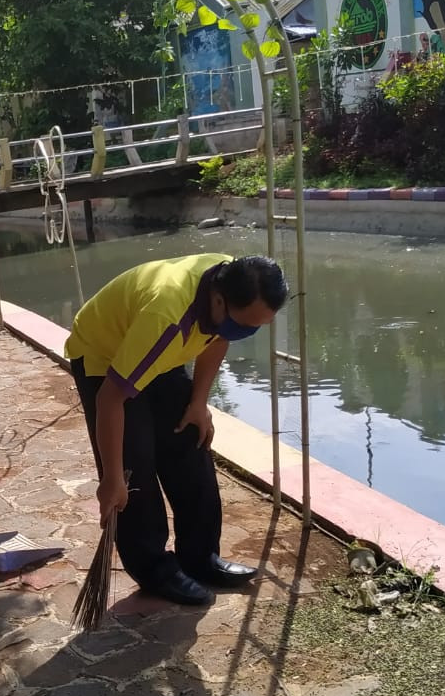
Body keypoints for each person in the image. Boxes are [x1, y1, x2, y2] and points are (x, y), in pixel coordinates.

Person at [65, 253, 288, 606]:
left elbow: (217, 340)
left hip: (156, 352)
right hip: (106, 357)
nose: (244, 333)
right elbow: (110, 399)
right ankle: (155, 569)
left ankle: (200, 559)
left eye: (254, 328)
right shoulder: (167, 316)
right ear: (217, 300)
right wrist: (111, 478)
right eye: (241, 325)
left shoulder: (233, 278)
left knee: (190, 441)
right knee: (132, 467)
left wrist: (199, 402)